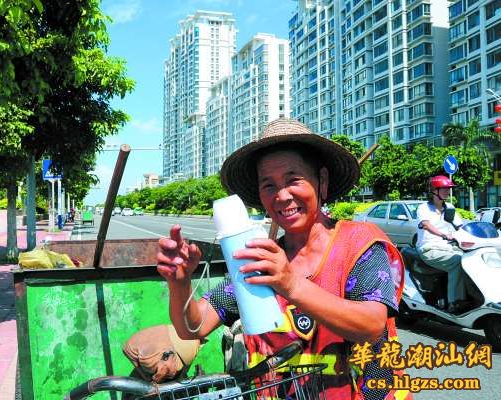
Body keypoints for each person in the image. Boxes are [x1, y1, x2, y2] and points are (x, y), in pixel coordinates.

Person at [156, 119, 409, 400]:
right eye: (269, 185)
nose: (282, 195)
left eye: (293, 180)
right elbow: (192, 328)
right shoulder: (260, 260)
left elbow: (372, 326)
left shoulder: (359, 243)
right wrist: (179, 284)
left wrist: (291, 285)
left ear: (322, 182)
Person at [415, 175, 470, 314]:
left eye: (448, 188)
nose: (447, 191)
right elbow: (426, 225)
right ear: (434, 191)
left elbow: (460, 226)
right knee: (458, 262)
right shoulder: (424, 208)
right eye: (444, 188)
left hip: (448, 247)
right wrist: (444, 235)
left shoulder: (449, 207)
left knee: (471, 259)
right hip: (429, 248)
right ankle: (455, 302)